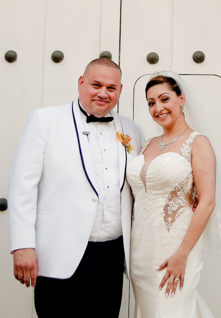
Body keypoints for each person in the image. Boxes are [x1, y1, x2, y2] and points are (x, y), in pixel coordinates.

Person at [8, 58, 145, 317]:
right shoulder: (44, 121)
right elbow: (21, 187)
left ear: (120, 91)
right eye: (96, 84)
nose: (103, 93)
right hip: (59, 252)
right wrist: (22, 245)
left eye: (111, 88)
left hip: (112, 257)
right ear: (81, 83)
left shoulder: (133, 130)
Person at [126, 72, 221, 318]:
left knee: (172, 310)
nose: (158, 108)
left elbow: (207, 202)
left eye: (164, 99)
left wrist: (182, 254)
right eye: (151, 103)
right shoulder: (146, 144)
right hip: (140, 249)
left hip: (175, 248)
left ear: (181, 99)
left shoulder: (198, 143)